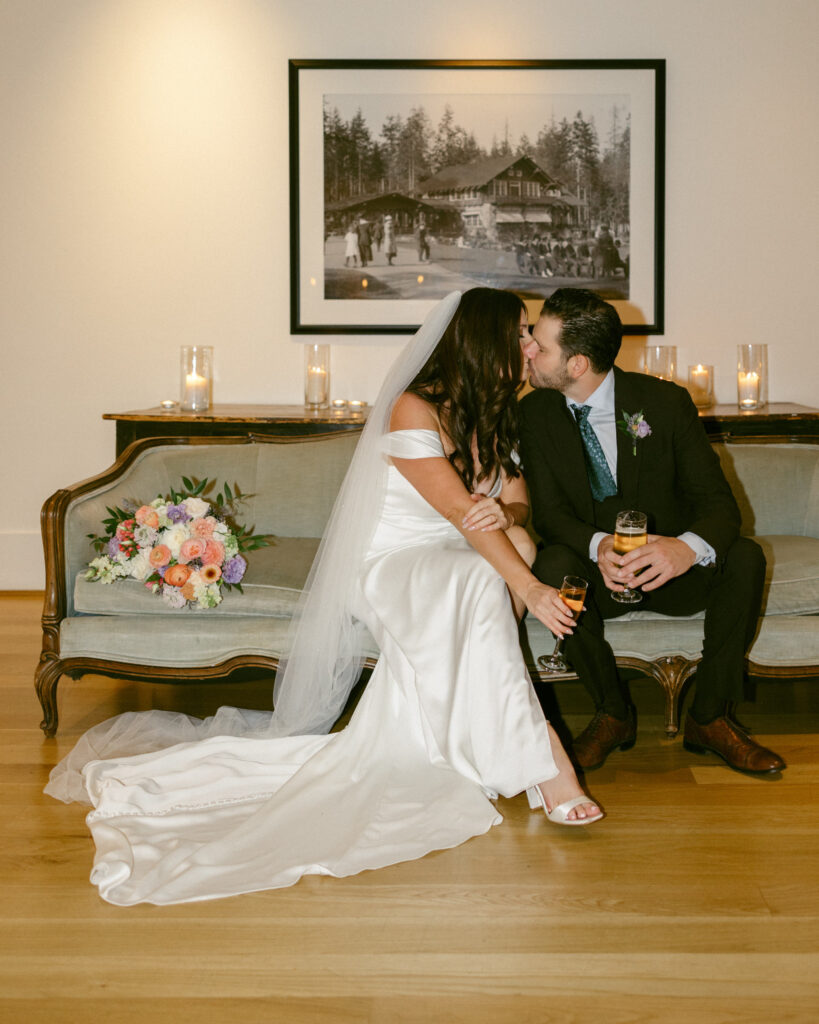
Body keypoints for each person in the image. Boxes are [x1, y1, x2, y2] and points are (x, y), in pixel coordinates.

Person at [45, 289, 602, 907]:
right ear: (483, 341)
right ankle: (548, 763)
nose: (531, 346)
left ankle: (481, 736)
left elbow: (513, 499)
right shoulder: (415, 410)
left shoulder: (494, 410)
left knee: (510, 549)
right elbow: (458, 511)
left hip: (454, 554)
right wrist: (528, 585)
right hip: (394, 563)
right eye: (521, 333)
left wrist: (511, 511)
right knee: (490, 572)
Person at [518, 288, 785, 776]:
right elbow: (551, 516)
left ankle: (710, 718)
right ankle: (612, 713)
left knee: (744, 557)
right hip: (595, 580)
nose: (528, 351)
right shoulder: (533, 414)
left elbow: (720, 508)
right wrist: (597, 547)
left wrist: (685, 549)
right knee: (552, 563)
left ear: (577, 364)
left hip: (670, 577)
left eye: (540, 345)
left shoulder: (664, 402)